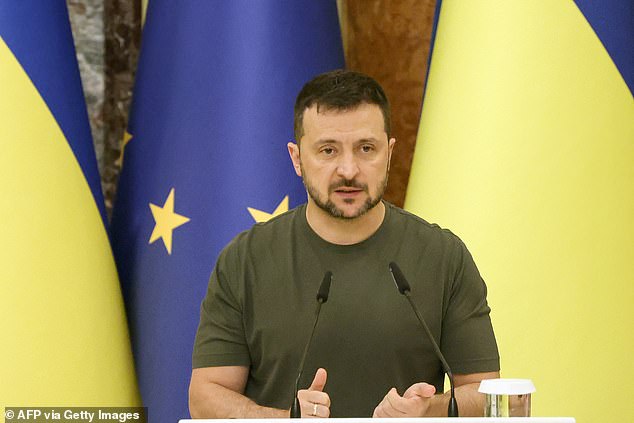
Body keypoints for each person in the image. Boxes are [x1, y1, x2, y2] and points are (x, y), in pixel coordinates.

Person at [189, 70, 500, 418]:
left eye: (366, 148)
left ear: (389, 152)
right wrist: (282, 419)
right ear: (296, 158)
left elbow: (487, 395)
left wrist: (429, 409)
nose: (348, 169)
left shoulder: (443, 256)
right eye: (328, 150)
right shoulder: (245, 260)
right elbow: (205, 397)